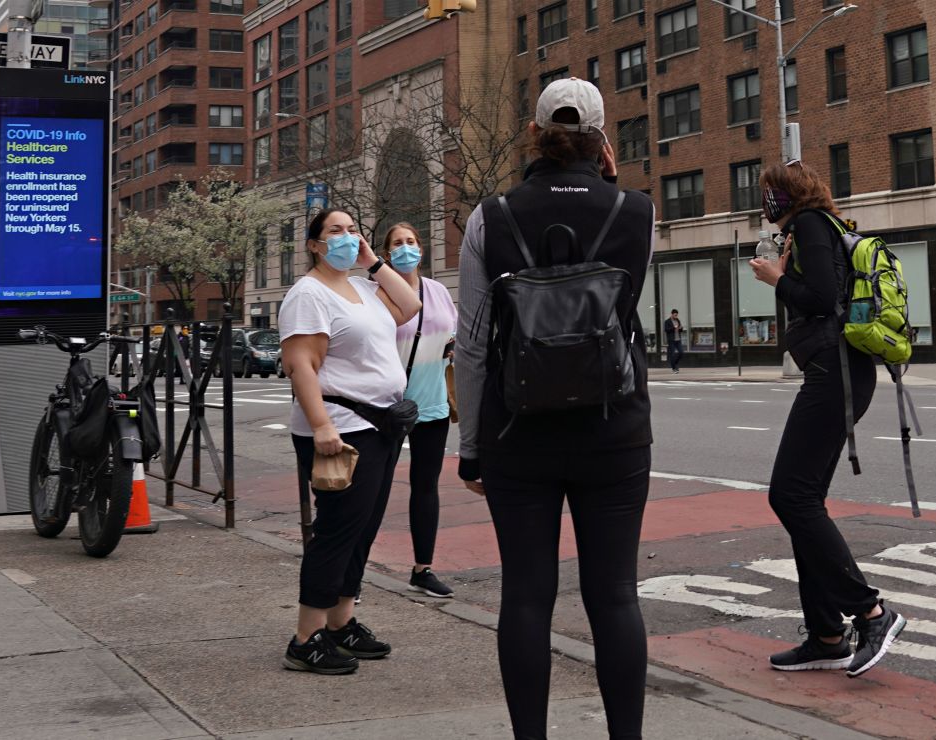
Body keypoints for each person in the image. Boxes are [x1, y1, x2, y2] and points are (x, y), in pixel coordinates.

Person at [455, 78, 655, 739]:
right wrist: (610, 178)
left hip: (519, 432)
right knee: (616, 595)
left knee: (528, 596)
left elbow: (475, 343)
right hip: (613, 429)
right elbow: (624, 317)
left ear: (534, 134)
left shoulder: (491, 216)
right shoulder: (639, 212)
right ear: (604, 138)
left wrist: (472, 448)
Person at [749, 160, 905, 678]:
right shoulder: (819, 228)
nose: (764, 200)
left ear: (788, 194)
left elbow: (818, 298)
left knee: (789, 495)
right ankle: (826, 634)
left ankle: (870, 612)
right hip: (840, 372)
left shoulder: (812, 224)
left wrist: (776, 278)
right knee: (803, 500)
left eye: (769, 191)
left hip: (835, 374)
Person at [277, 208, 422, 675]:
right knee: (337, 529)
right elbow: (301, 365)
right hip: (341, 426)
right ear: (314, 245)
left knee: (363, 528)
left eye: (351, 229)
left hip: (380, 423)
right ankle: (306, 637)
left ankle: (341, 623)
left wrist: (373, 262)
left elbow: (411, 305)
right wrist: (321, 426)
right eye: (334, 231)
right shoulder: (308, 295)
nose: (346, 237)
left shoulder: (362, 288)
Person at [383, 223, 458, 598]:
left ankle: (422, 569)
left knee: (425, 487)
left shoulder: (439, 291)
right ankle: (351, 571)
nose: (405, 248)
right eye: (397, 243)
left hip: (432, 404)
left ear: (421, 249)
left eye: (411, 242)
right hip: (387, 407)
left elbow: (452, 337)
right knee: (374, 488)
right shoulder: (377, 292)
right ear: (385, 254)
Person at [662, 309, 684, 373]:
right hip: (671, 340)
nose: (676, 316)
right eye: (675, 315)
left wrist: (681, 328)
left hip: (678, 339)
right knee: (673, 354)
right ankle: (674, 368)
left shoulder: (678, 320)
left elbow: (680, 330)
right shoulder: (667, 321)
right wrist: (674, 328)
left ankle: (675, 363)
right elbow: (666, 330)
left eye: (677, 315)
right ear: (671, 314)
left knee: (681, 352)